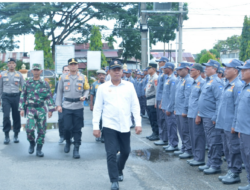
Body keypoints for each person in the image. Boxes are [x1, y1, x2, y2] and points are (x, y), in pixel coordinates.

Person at [92, 60, 142, 190]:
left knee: (125, 151)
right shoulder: (103, 87)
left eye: (119, 69)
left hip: (125, 125)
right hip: (109, 125)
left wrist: (138, 123)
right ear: (109, 72)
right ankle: (114, 180)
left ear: (122, 71)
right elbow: (97, 108)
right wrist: (96, 126)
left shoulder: (129, 86)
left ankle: (119, 169)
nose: (117, 72)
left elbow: (135, 105)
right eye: (114, 69)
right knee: (111, 153)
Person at [215, 59, 243, 184]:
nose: (225, 70)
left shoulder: (238, 85)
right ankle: (231, 170)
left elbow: (238, 107)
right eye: (225, 68)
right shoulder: (227, 83)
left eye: (228, 68)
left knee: (234, 148)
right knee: (227, 148)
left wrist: (235, 124)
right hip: (223, 123)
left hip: (231, 124)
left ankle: (235, 172)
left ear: (236, 71)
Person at [19, 64, 55, 157]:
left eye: (37, 70)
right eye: (34, 70)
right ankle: (31, 143)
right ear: (31, 71)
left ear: (41, 71)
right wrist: (21, 108)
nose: (36, 71)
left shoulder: (45, 83)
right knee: (29, 129)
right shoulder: (27, 83)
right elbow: (23, 95)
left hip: (42, 109)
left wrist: (51, 110)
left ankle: (39, 148)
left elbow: (49, 97)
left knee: (41, 130)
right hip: (30, 109)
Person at [56, 58, 90, 159]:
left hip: (78, 106)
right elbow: (59, 92)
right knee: (66, 128)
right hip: (66, 105)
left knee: (77, 129)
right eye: (71, 64)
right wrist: (58, 105)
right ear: (69, 66)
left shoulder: (83, 77)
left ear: (77, 66)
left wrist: (85, 96)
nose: (73, 66)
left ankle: (76, 148)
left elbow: (87, 89)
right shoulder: (62, 77)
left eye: (75, 64)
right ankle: (67, 142)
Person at [196, 59, 224, 174]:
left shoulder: (216, 82)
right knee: (210, 141)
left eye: (208, 67)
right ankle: (210, 162)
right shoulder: (208, 81)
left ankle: (216, 165)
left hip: (211, 117)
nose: (205, 68)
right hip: (205, 116)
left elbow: (220, 100)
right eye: (205, 67)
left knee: (214, 141)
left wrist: (216, 117)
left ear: (215, 69)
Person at [234, 59, 250, 190]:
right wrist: (239, 127)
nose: (242, 72)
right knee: (246, 157)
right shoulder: (245, 87)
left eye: (245, 70)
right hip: (244, 129)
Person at [0, 58, 25, 144]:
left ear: (15, 65)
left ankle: (16, 134)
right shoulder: (2, 74)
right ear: (7, 64)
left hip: (16, 97)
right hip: (5, 97)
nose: (11, 65)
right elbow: (0, 87)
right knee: (6, 116)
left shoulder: (19, 75)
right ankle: (6, 135)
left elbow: (23, 87)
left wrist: (23, 99)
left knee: (16, 116)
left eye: (13, 63)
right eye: (9, 63)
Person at [187, 64, 206, 166]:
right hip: (191, 112)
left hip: (196, 114)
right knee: (193, 135)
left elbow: (201, 100)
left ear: (198, 71)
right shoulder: (193, 83)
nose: (190, 71)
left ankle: (199, 158)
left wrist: (199, 114)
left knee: (198, 136)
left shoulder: (202, 83)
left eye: (192, 70)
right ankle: (195, 156)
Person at [174, 62, 194, 159]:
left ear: (186, 70)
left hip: (183, 110)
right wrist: (175, 108)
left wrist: (185, 110)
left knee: (185, 131)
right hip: (178, 110)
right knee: (181, 130)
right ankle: (184, 147)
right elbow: (177, 96)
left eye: (180, 69)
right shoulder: (181, 80)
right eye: (177, 70)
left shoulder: (189, 80)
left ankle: (188, 149)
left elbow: (187, 97)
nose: (178, 71)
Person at [161, 62, 179, 152]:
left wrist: (169, 108)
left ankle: (174, 144)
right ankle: (170, 142)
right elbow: (165, 94)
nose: (163, 69)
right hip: (166, 106)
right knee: (168, 125)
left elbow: (172, 96)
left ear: (169, 69)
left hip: (170, 108)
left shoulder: (173, 79)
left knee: (172, 126)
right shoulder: (167, 78)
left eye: (165, 68)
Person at [53, 65, 69, 144]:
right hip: (61, 105)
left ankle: (69, 137)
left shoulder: (73, 81)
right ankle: (62, 136)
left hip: (71, 105)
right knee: (61, 120)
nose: (67, 72)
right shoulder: (59, 82)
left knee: (70, 122)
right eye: (65, 70)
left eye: (68, 70)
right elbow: (55, 94)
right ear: (62, 72)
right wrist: (56, 104)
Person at [154, 57, 169, 145]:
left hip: (163, 99)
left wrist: (162, 101)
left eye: (160, 62)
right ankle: (162, 136)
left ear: (164, 62)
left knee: (163, 120)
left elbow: (165, 90)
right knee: (160, 119)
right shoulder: (161, 74)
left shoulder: (165, 74)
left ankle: (164, 138)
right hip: (159, 98)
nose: (159, 63)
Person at [90, 69, 106, 143]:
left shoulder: (108, 84)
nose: (101, 76)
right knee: (98, 120)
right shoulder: (94, 84)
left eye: (103, 75)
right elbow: (92, 95)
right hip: (97, 106)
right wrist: (91, 105)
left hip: (105, 107)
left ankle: (103, 135)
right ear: (98, 76)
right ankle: (98, 135)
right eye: (100, 75)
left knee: (104, 121)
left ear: (105, 76)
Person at [145, 61, 159, 141]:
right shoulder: (150, 77)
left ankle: (156, 133)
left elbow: (157, 91)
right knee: (151, 118)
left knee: (154, 118)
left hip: (152, 100)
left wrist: (156, 102)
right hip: (149, 100)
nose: (147, 70)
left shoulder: (155, 78)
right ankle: (154, 132)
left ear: (153, 69)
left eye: (149, 68)